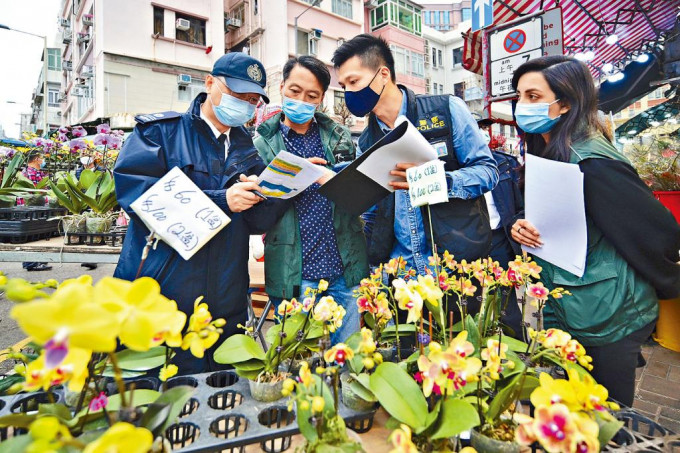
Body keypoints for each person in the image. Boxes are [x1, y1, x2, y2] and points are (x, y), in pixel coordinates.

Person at [510, 55, 680, 406]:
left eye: (532, 96)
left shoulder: (592, 161)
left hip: (610, 315)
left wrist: (661, 283)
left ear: (565, 103)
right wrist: (523, 226)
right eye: (518, 97)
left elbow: (658, 230)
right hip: (578, 308)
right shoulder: (552, 152)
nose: (520, 107)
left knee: (608, 418)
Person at [113, 52, 286, 374]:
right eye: (237, 94)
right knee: (154, 386)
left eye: (252, 100)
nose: (244, 105)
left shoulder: (247, 147)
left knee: (218, 386)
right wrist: (222, 200)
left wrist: (279, 191)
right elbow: (138, 197)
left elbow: (256, 222)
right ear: (209, 83)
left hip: (227, 292)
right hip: (163, 287)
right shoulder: (160, 133)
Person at [332, 34, 498, 316]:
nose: (349, 93)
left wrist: (438, 181)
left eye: (354, 82)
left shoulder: (446, 110)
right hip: (401, 272)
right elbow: (375, 209)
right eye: (344, 85)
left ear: (383, 74)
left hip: (453, 265)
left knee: (457, 352)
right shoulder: (367, 140)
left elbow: (488, 171)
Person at [253, 56, 368, 344]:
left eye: (311, 95)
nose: (301, 100)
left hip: (344, 268)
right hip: (295, 272)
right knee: (299, 362)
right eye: (294, 91)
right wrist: (294, 174)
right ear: (281, 88)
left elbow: (357, 197)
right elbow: (258, 210)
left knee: (348, 358)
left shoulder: (339, 137)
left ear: (321, 99)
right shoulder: (261, 144)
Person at [478, 120, 525, 337]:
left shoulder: (505, 164)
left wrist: (519, 224)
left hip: (499, 239)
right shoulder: (453, 168)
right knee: (473, 301)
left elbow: (521, 204)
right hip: (469, 242)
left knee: (507, 303)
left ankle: (514, 349)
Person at [22, 151, 51, 272]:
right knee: (32, 234)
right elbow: (37, 191)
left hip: (32, 206)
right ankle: (31, 262)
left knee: (34, 234)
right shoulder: (31, 172)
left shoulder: (26, 171)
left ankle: (35, 260)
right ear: (35, 159)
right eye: (41, 158)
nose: (42, 161)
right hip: (33, 206)